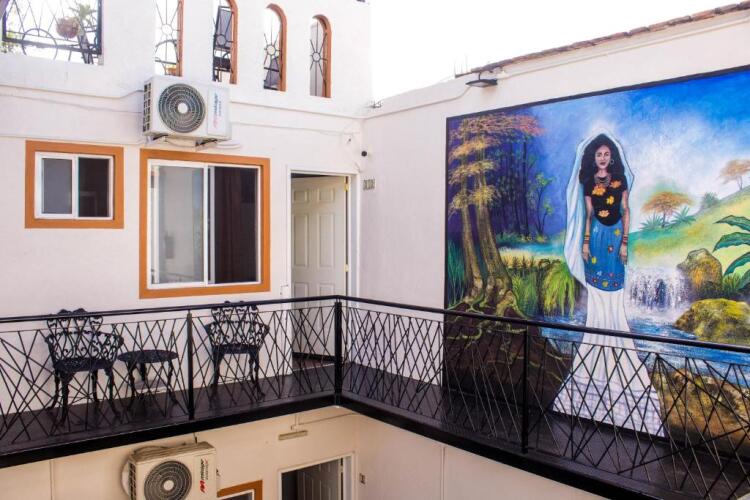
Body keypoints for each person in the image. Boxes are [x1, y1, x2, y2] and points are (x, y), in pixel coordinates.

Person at [555, 132, 662, 436]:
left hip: (615, 239)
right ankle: (594, 355)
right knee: (597, 299)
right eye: (598, 154)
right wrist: (585, 242)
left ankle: (617, 354)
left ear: (611, 156)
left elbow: (626, 211)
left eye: (606, 154)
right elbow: (588, 214)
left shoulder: (620, 180)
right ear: (594, 157)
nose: (602, 158)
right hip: (596, 242)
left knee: (613, 294)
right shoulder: (589, 183)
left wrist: (625, 242)